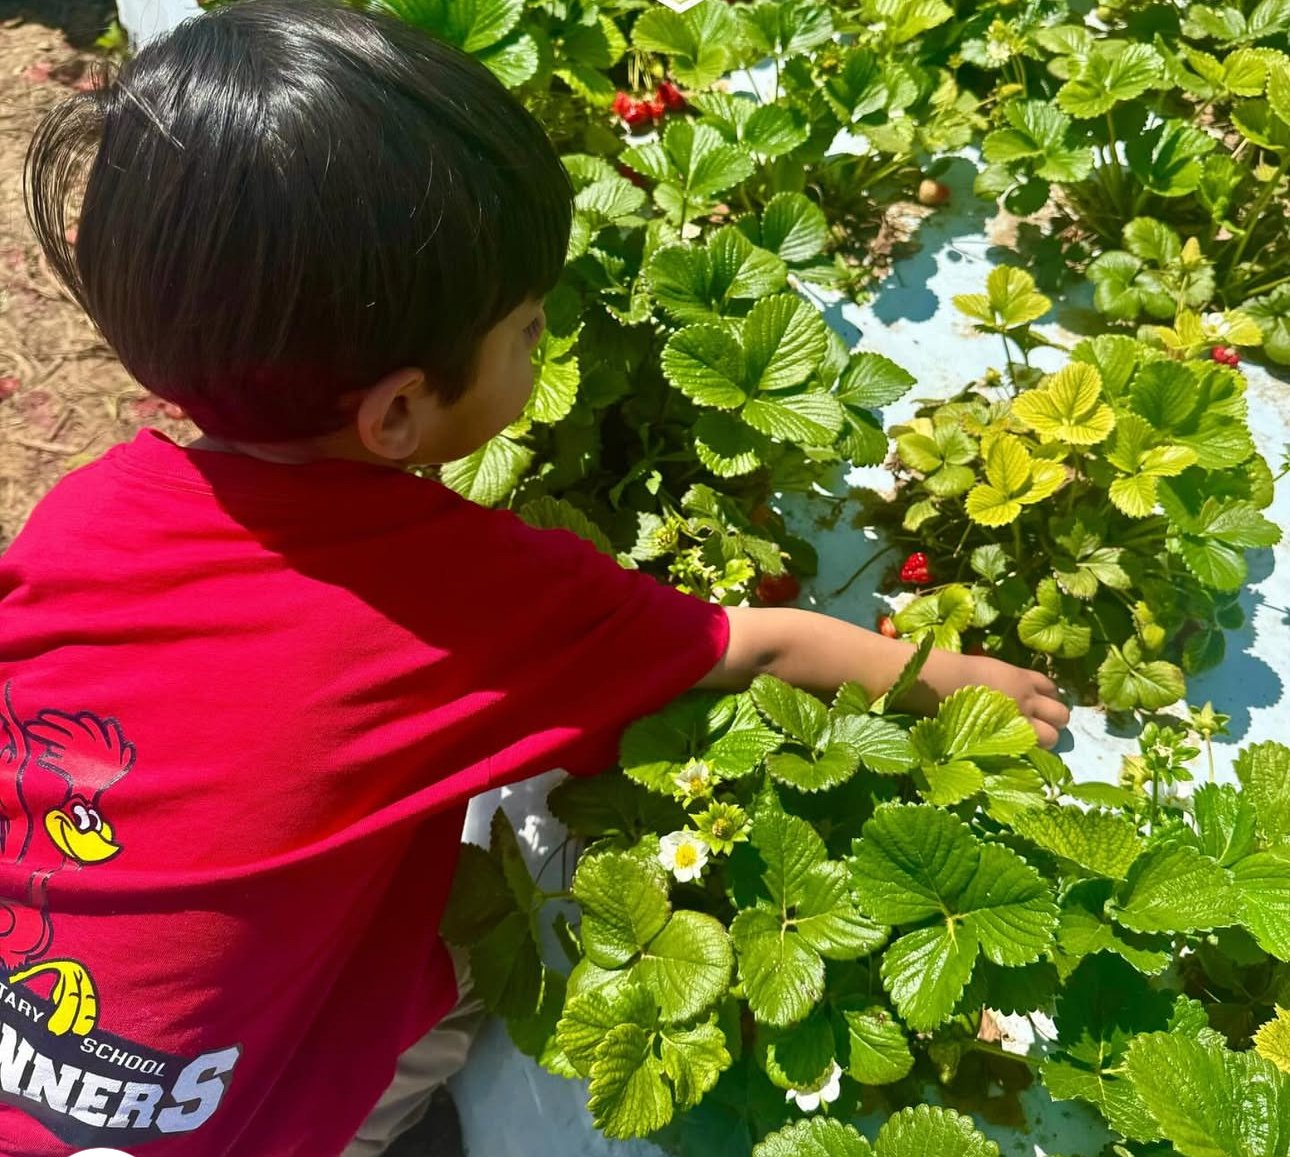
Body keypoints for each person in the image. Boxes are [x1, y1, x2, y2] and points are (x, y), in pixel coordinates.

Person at [0, 1, 1070, 1153]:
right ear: (400, 409)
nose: (541, 341)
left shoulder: (81, 513)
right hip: (236, 1116)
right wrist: (953, 681)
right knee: (441, 996)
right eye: (524, 328)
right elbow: (749, 645)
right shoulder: (458, 592)